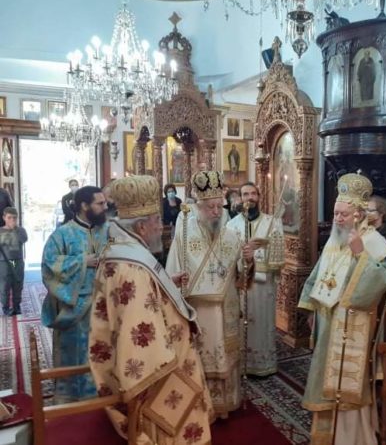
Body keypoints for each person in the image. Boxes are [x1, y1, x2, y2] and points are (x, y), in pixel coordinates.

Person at [89, 175, 212, 445]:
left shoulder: (123, 251)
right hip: (159, 375)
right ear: (142, 226)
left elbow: (141, 299)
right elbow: (140, 334)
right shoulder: (131, 267)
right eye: (157, 221)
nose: (161, 227)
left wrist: (165, 284)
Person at [298, 173, 386, 445]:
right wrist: (311, 308)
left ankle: (349, 438)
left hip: (352, 326)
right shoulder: (334, 239)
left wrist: (360, 253)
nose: (338, 219)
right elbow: (318, 274)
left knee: (346, 385)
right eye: (335, 213)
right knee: (324, 379)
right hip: (327, 322)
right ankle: (326, 436)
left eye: (343, 214)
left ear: (359, 214)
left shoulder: (374, 241)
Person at [166, 170, 255, 417]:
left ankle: (226, 402)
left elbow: (241, 276)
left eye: (219, 206)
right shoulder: (185, 233)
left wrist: (248, 260)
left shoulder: (232, 235)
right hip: (200, 310)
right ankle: (203, 406)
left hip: (226, 306)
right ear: (199, 207)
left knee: (226, 352)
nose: (216, 212)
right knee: (202, 353)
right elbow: (174, 270)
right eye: (210, 207)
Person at [41, 185, 109, 402]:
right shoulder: (62, 234)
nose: (105, 207)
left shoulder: (108, 230)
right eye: (100, 203)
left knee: (103, 353)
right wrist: (82, 261)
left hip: (105, 304)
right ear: (84, 206)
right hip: (75, 308)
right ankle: (70, 402)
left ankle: (103, 398)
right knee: (75, 354)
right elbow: (49, 265)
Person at [227, 182, 285, 376]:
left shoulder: (272, 222)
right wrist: (243, 258)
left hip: (264, 285)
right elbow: (227, 256)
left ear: (259, 197)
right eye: (245, 194)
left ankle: (263, 364)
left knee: (262, 322)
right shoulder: (231, 225)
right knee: (242, 321)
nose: (249, 198)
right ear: (240, 198)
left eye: (253, 194)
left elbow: (278, 254)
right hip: (242, 283)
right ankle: (242, 363)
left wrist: (256, 257)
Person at [0, 207, 27, 316]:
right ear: (4, 218)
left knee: (18, 284)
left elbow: (23, 239)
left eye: (14, 218)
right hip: (4, 262)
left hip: (17, 261)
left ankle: (16, 306)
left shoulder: (21, 230)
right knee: (4, 285)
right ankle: (6, 307)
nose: (12, 220)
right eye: (9, 217)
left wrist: (14, 229)